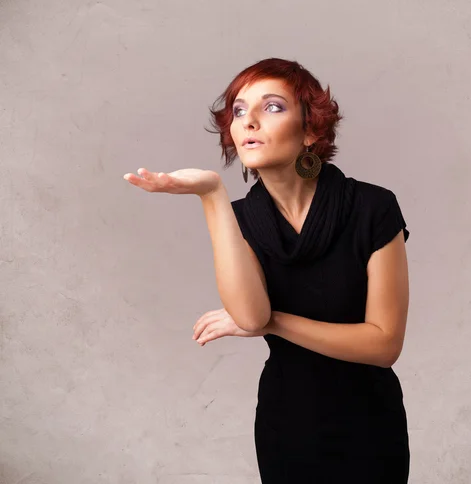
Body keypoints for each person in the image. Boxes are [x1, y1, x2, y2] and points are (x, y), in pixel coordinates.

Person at [123, 57, 411, 483]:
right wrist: (212, 196)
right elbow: (250, 316)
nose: (249, 122)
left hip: (370, 424)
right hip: (288, 423)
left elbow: (383, 345)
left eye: (272, 107)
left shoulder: (372, 207)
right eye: (240, 111)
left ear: (311, 130)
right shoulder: (238, 217)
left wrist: (275, 323)